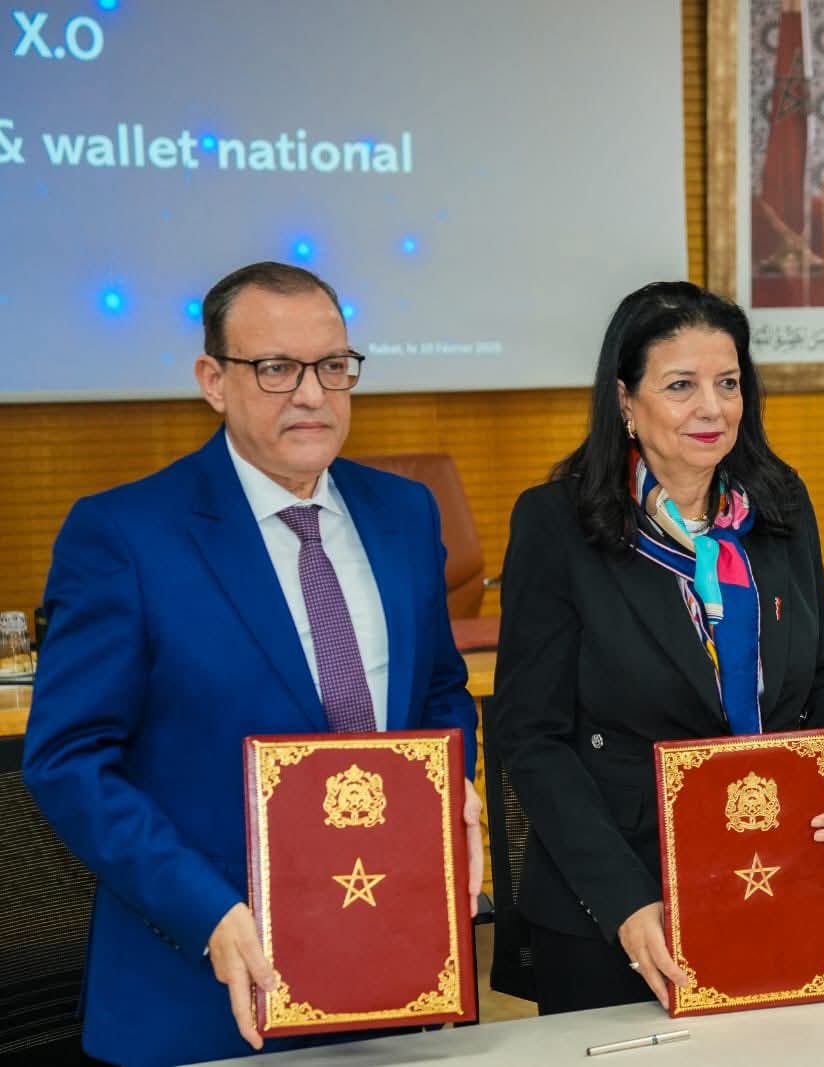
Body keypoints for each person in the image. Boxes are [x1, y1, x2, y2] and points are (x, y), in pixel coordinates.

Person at [22, 262, 481, 1067]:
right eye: (275, 368)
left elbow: (441, 687)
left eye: (332, 366)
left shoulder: (403, 513)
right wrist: (205, 910)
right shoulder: (126, 534)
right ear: (214, 381)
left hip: (388, 969)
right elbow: (69, 760)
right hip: (202, 985)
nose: (311, 394)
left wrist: (452, 788)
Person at [494, 281, 824, 1013]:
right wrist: (624, 900)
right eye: (680, 386)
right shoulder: (557, 523)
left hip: (781, 867)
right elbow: (531, 736)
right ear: (625, 401)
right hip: (625, 897)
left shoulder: (779, 502)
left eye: (728, 383)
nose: (712, 408)